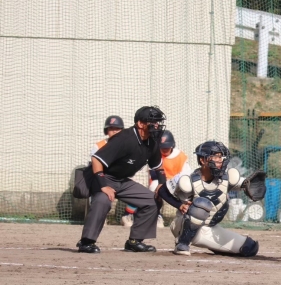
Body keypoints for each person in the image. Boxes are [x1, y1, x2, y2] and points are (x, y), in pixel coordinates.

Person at [76, 106, 167, 254]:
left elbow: (158, 166)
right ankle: (86, 242)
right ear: (140, 123)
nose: (157, 126)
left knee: (153, 200)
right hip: (103, 177)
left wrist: (162, 184)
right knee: (103, 200)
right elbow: (96, 159)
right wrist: (103, 186)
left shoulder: (152, 142)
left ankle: (134, 242)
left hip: (122, 180)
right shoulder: (124, 138)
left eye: (158, 122)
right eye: (153, 122)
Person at [157, 140, 260, 257]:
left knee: (250, 247)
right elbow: (161, 190)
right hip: (182, 225)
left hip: (209, 228)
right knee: (201, 205)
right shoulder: (187, 177)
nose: (220, 161)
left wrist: (252, 187)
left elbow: (247, 184)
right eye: (215, 157)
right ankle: (182, 244)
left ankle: (216, 246)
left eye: (220, 157)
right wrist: (179, 205)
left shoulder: (225, 178)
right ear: (203, 160)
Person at [148, 130, 193, 228]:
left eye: (167, 147)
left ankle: (187, 215)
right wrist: (165, 182)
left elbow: (187, 173)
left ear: (172, 145)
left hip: (176, 183)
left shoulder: (180, 155)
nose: (164, 149)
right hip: (161, 183)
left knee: (187, 185)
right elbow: (153, 174)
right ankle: (156, 215)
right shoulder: (155, 154)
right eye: (162, 147)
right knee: (154, 185)